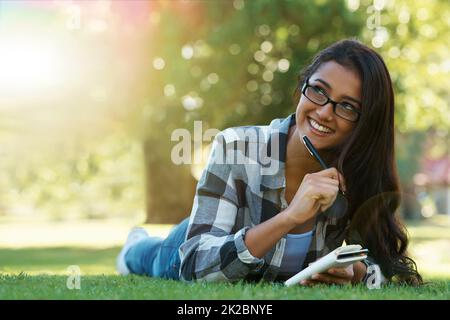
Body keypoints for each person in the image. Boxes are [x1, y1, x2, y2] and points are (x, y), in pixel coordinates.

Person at [116, 39, 422, 287]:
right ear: (302, 87)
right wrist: (289, 217)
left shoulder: (356, 174)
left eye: (346, 106)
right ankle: (134, 245)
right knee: (150, 258)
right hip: (197, 241)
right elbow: (195, 265)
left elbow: (382, 267)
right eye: (318, 91)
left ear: (364, 122)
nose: (325, 112)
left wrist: (354, 271)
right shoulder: (236, 147)